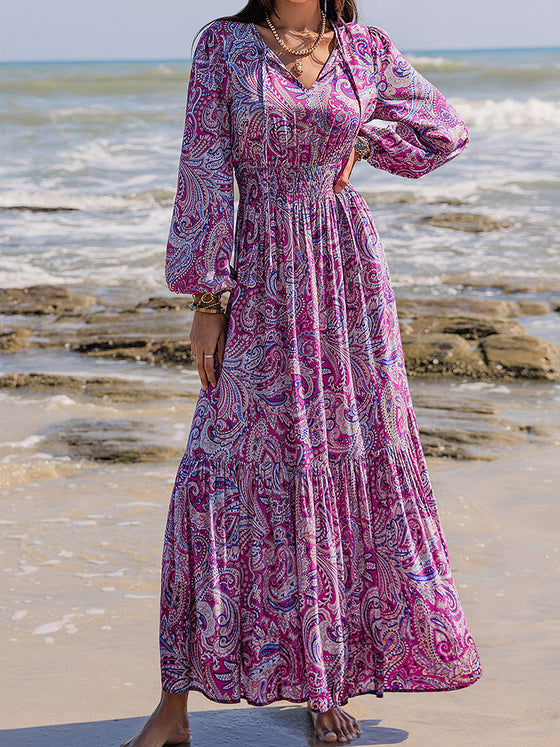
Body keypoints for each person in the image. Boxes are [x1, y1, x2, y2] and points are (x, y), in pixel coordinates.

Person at [122, 1, 481, 744]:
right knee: (216, 469)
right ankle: (172, 706)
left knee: (339, 464)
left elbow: (445, 129)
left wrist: (366, 141)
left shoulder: (364, 50)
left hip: (344, 276)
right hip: (255, 273)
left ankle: (326, 682)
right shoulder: (224, 47)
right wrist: (207, 298)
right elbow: (203, 166)